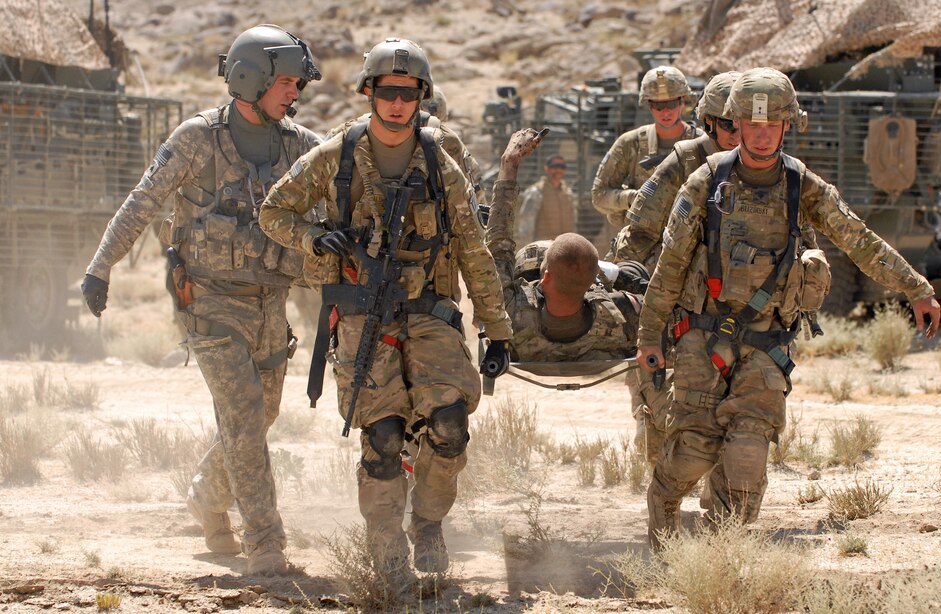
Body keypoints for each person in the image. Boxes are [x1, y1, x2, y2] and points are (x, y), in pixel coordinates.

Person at [635, 67, 941, 548]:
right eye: (750, 125)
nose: (760, 135)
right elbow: (671, 265)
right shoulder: (705, 182)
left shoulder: (803, 186)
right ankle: (663, 509)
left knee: (746, 460)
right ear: (734, 124)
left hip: (765, 345)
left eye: (771, 125)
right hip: (700, 337)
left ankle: (719, 561)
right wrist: (649, 337)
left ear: (787, 126)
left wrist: (914, 286)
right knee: (693, 453)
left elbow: (856, 239)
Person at [258, 38, 512, 588]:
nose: (397, 103)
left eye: (408, 93)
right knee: (385, 438)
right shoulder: (336, 155)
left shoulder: (441, 163)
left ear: (421, 97)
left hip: (429, 311)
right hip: (362, 312)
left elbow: (473, 247)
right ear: (370, 92)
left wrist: (497, 329)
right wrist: (316, 238)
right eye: (387, 92)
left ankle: (427, 523)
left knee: (448, 426)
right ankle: (385, 543)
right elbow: (273, 212)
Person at [79, 24, 323, 575]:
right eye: (286, 82)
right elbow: (142, 203)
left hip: (271, 306)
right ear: (250, 79)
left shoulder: (301, 146)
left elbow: (345, 190)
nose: (295, 93)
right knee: (241, 416)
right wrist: (101, 267)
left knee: (261, 415)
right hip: (209, 306)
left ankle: (207, 498)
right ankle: (265, 541)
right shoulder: (197, 139)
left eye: (297, 84)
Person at [488, 130, 668, 460]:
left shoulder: (513, 315)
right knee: (635, 273)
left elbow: (498, 241)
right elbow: (654, 302)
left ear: (543, 277)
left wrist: (509, 164)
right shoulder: (615, 315)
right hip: (602, 330)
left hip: (531, 346)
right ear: (593, 283)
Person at [613, 71, 743, 269]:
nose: (737, 135)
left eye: (746, 125)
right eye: (728, 126)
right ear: (709, 122)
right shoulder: (686, 159)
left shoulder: (775, 167)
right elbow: (641, 234)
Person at [591, 66, 702, 251]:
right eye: (658, 105)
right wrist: (631, 198)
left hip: (689, 246)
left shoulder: (700, 142)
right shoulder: (630, 143)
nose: (665, 112)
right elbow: (599, 195)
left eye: (671, 104)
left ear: (682, 101)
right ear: (649, 105)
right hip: (639, 246)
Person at [517, 154, 577, 245]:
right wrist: (528, 248)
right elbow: (526, 224)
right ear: (546, 168)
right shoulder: (536, 192)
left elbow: (573, 220)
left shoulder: (568, 193)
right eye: (555, 166)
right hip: (543, 246)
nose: (559, 170)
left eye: (562, 167)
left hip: (565, 246)